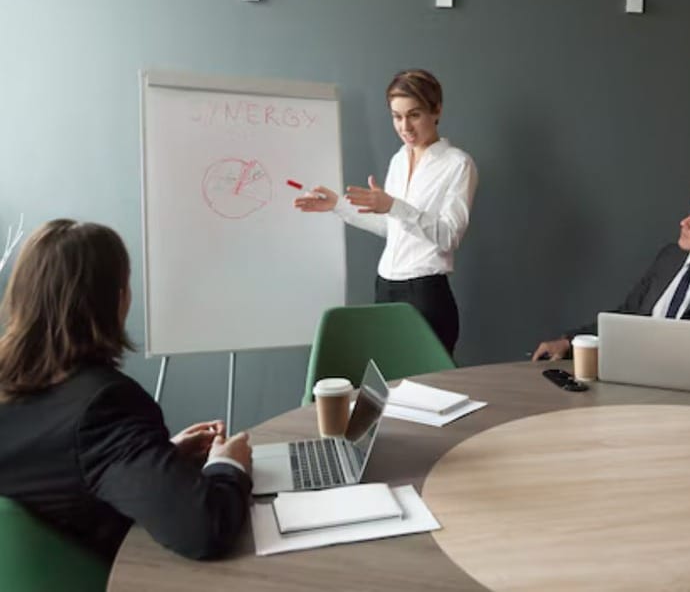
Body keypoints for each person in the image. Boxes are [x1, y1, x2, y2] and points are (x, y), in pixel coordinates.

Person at [0, 220, 252, 563]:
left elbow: (64, 470)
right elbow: (205, 530)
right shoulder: (105, 406)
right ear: (118, 300)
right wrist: (228, 466)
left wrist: (160, 457)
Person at [294, 69, 478, 355]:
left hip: (426, 292)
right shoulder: (398, 160)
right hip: (385, 287)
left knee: (428, 390)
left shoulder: (457, 164)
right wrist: (337, 206)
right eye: (397, 116)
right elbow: (392, 228)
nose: (405, 126)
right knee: (388, 387)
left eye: (414, 115)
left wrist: (393, 205)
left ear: (437, 109)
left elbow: (449, 236)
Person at [532, 178, 690, 370]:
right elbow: (628, 315)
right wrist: (570, 342)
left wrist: (634, 352)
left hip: (689, 394)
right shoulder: (670, 257)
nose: (684, 223)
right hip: (628, 373)